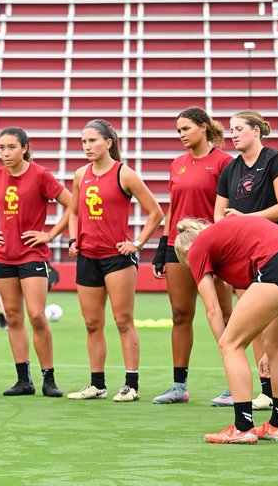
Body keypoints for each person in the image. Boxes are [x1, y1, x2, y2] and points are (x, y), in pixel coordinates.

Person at [174, 216, 278, 443]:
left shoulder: (196, 247)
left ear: (186, 250)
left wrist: (226, 347)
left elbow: (213, 309)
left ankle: (243, 427)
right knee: (275, 342)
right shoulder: (228, 241)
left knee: (230, 344)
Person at [66, 119, 164, 402]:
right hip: (87, 258)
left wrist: (138, 243)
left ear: (108, 143)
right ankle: (97, 384)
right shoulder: (79, 174)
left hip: (117, 259)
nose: (87, 147)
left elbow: (155, 212)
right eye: (84, 142)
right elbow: (73, 212)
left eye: (93, 141)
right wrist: (74, 240)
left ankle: (131, 385)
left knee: (123, 321)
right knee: (92, 323)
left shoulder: (125, 174)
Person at [214, 110, 278, 414]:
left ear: (256, 131)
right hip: (246, 257)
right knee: (252, 326)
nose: (233, 134)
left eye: (239, 128)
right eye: (231, 129)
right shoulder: (231, 169)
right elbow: (219, 214)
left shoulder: (277, 161)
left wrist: (245, 221)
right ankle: (267, 391)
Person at [0, 126, 73, 398]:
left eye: (11, 147)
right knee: (13, 316)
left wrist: (49, 234)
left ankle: (48, 378)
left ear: (25, 148)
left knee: (37, 316)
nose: (5, 153)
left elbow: (72, 204)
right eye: (2, 148)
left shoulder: (41, 175)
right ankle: (23, 380)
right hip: (3, 256)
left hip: (32, 255)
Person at [151, 107, 232, 406]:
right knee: (180, 314)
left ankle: (233, 383)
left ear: (203, 127)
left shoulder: (224, 162)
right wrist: (163, 246)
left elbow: (227, 207)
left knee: (225, 315)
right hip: (177, 247)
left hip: (214, 246)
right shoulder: (177, 164)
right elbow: (173, 207)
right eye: (178, 131)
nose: (182, 135)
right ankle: (178, 387)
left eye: (186, 128)